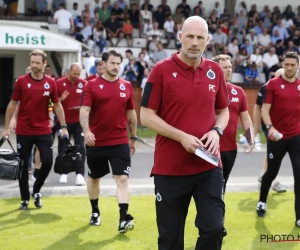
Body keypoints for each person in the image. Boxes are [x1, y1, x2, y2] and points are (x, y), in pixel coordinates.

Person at [140, 16, 229, 250]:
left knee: (214, 229)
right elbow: (146, 116)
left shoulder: (215, 71)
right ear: (180, 37)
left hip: (208, 166)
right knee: (170, 239)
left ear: (208, 40)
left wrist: (217, 131)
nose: (194, 42)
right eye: (190, 36)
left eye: (200, 37)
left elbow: (224, 111)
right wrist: (181, 137)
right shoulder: (161, 70)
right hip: (170, 169)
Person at [1, 49, 68, 210]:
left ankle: (36, 190)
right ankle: (24, 198)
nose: (34, 66)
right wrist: (6, 128)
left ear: (44, 64)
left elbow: (57, 105)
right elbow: (12, 104)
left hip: (44, 129)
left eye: (38, 63)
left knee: (48, 160)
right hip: (24, 130)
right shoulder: (21, 82)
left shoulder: (51, 83)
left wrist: (64, 126)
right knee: (23, 166)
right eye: (32, 63)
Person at [80, 50, 137, 233]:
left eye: (118, 63)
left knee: (122, 178)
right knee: (94, 178)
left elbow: (131, 114)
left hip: (120, 140)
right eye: (112, 63)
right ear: (103, 64)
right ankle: (95, 211)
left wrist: (133, 137)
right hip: (96, 141)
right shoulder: (91, 85)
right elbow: (84, 111)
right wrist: (86, 131)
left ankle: (123, 219)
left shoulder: (126, 85)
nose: (116, 67)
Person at [256, 52, 300, 226]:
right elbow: (264, 110)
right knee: (271, 174)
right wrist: (270, 128)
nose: (289, 68)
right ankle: (262, 200)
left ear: (297, 66)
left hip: (296, 137)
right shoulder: (273, 84)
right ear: (283, 64)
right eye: (286, 64)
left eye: (292, 65)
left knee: (299, 175)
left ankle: (298, 216)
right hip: (277, 137)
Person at [212, 54, 254, 194]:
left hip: (230, 149)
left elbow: (245, 118)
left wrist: (250, 139)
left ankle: (218, 215)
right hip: (210, 148)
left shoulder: (238, 92)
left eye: (230, 67)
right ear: (216, 69)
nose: (229, 70)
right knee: (210, 188)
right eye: (224, 68)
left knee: (222, 186)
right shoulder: (207, 90)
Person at [253, 68, 287, 193]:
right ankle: (273, 180)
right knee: (275, 150)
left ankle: (264, 175)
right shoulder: (266, 88)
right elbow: (257, 107)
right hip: (269, 125)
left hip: (283, 125)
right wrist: (256, 126)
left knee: (273, 152)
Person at [56, 63, 87, 185]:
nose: (76, 76)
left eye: (79, 74)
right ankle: (64, 173)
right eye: (74, 73)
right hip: (63, 122)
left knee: (80, 148)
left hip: (79, 121)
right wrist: (61, 100)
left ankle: (80, 174)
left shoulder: (84, 84)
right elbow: (51, 103)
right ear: (69, 71)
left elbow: (88, 101)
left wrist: (82, 107)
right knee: (63, 148)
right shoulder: (58, 83)